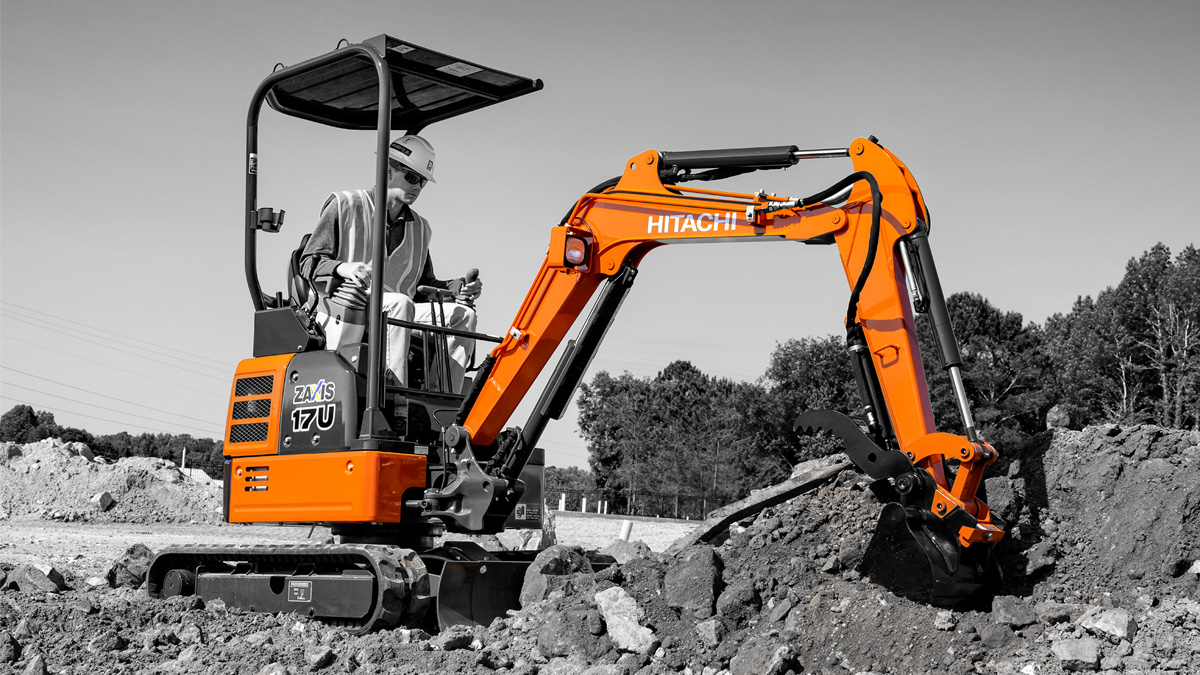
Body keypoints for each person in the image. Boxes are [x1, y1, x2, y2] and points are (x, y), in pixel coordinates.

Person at [299, 135, 483, 392]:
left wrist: (457, 288)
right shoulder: (345, 205)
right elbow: (309, 262)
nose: (418, 186)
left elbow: (423, 285)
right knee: (399, 304)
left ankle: (443, 400)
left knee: (464, 316)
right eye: (412, 177)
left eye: (423, 182)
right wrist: (345, 268)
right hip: (346, 307)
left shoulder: (420, 228)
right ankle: (395, 396)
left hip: (398, 310)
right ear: (387, 171)